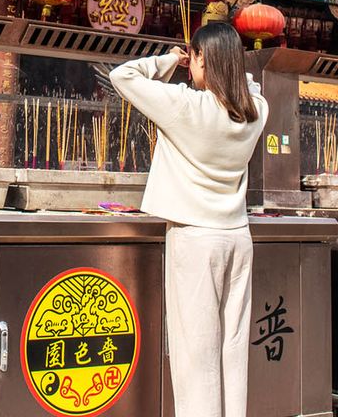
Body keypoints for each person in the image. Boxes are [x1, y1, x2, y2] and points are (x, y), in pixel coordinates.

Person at [109, 22, 269, 417]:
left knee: (195, 355)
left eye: (195, 56)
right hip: (237, 237)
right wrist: (217, 64)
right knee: (232, 349)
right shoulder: (255, 111)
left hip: (195, 239)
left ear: (201, 59)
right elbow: (249, 85)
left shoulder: (186, 105)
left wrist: (170, 60)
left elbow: (122, 75)